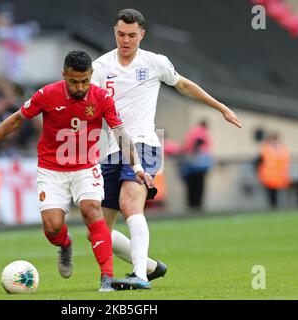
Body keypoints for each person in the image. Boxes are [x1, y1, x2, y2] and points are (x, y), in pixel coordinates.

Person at [0, 50, 154, 292]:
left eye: (85, 80)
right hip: (51, 168)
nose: (80, 86)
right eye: (74, 81)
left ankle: (107, 279)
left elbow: (120, 134)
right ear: (64, 75)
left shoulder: (101, 97)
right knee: (52, 227)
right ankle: (64, 244)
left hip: (86, 166)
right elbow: (16, 120)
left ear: (91, 75)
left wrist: (136, 166)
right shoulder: (47, 94)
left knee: (91, 210)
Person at [91, 8, 242, 290]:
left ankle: (138, 275)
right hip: (111, 151)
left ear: (142, 35)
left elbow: (183, 85)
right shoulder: (100, 67)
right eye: (121, 34)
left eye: (132, 36)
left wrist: (220, 107)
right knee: (98, 229)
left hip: (145, 146)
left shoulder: (155, 62)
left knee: (129, 204)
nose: (126, 41)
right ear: (115, 32)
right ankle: (149, 265)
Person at [179, 121, 213, 210]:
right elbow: (198, 141)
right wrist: (194, 153)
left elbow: (187, 145)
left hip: (191, 165)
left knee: (191, 187)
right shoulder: (201, 131)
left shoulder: (192, 131)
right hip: (198, 164)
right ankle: (197, 206)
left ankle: (191, 206)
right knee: (198, 187)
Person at [256, 133, 290, 209]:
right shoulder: (267, 149)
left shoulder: (281, 149)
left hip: (279, 176)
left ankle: (277, 208)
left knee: (278, 196)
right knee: (271, 195)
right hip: (269, 176)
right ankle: (273, 207)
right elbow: (259, 161)